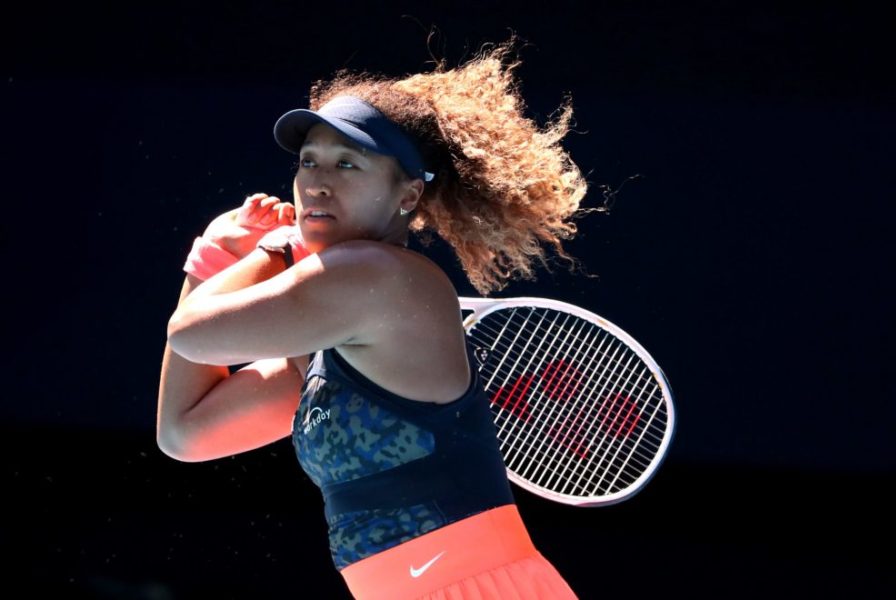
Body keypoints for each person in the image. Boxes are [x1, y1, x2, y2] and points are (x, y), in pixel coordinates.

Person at [158, 41, 590, 600]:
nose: (316, 181)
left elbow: (191, 332)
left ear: (408, 194)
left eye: (347, 164)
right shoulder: (327, 343)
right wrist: (217, 258)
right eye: (308, 161)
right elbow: (183, 432)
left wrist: (266, 250)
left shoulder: (376, 275)